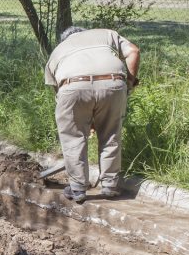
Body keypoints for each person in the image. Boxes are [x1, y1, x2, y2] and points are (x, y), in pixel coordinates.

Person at [43, 26, 141, 203]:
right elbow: (133, 51)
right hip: (113, 83)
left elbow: (60, 94)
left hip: (72, 86)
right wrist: (130, 82)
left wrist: (82, 119)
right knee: (111, 133)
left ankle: (78, 188)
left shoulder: (57, 51)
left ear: (66, 39)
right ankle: (110, 185)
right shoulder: (106, 34)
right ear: (84, 32)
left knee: (73, 137)